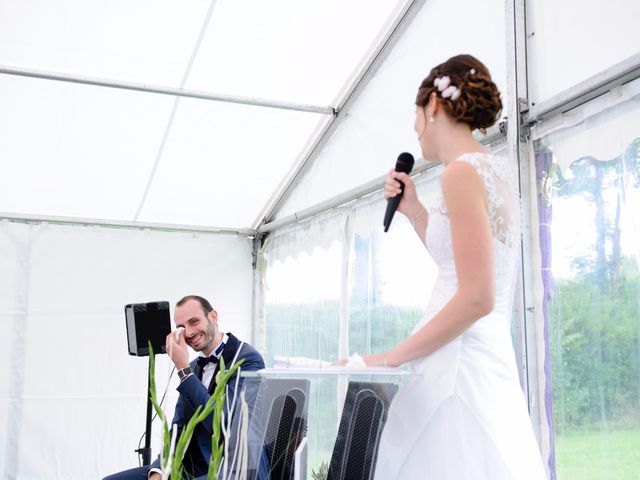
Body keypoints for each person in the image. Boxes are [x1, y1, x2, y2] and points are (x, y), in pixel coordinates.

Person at [355, 54, 546, 478]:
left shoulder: (459, 174)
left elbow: (477, 297)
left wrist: (390, 358)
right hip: (482, 356)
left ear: (434, 106)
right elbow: (462, 265)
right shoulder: (494, 170)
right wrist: (416, 211)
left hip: (459, 364)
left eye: (417, 116)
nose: (416, 129)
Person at [104, 295, 265, 480]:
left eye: (194, 322)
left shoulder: (246, 359)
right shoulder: (194, 366)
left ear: (213, 317)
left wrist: (183, 369)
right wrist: (158, 471)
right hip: (187, 465)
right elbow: (178, 429)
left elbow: (224, 425)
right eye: (181, 327)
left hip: (229, 467)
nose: (188, 333)